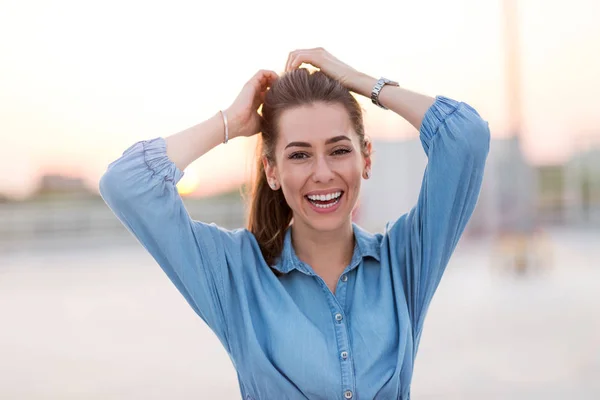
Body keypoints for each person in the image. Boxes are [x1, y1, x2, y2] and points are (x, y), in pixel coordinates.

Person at [99, 48, 490, 400]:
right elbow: (127, 184)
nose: (322, 173)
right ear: (271, 170)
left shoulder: (404, 263)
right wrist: (230, 123)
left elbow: (466, 136)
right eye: (299, 155)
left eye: (339, 150)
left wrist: (360, 80)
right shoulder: (235, 274)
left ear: (366, 158)